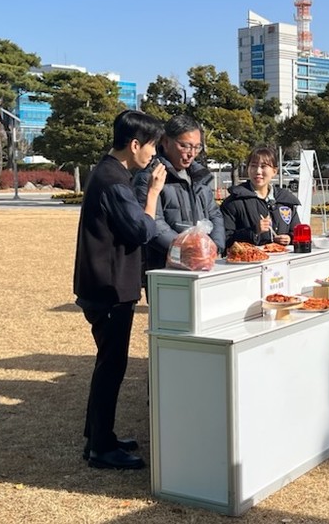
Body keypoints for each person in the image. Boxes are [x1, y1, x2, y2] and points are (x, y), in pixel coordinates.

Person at [74, 109, 167, 470]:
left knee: (107, 362)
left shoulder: (107, 173)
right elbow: (141, 230)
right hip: (109, 288)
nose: (154, 153)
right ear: (135, 144)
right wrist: (153, 193)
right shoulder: (113, 180)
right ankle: (101, 447)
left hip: (104, 285)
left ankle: (98, 437)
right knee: (112, 365)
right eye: (152, 145)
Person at [133, 115, 225, 275]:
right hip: (165, 267)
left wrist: (215, 246)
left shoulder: (200, 176)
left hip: (204, 263)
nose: (191, 153)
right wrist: (188, 250)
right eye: (185, 146)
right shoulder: (151, 176)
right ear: (165, 142)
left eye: (197, 147)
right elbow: (153, 223)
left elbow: (214, 214)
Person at [220, 146, 301, 246]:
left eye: (263, 166)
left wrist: (290, 238)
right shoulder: (234, 202)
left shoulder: (285, 200)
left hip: (283, 255)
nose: (258, 171)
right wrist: (253, 231)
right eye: (253, 166)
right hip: (250, 255)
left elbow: (297, 232)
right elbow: (225, 239)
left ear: (274, 171)